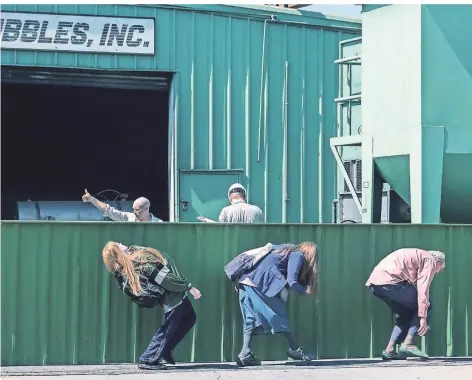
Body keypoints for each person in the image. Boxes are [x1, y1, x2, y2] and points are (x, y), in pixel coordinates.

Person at [102, 241, 201, 370]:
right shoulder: (139, 260)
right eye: (118, 245)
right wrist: (189, 287)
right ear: (118, 253)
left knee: (189, 318)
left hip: (176, 293)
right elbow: (163, 278)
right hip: (172, 294)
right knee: (168, 329)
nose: (121, 243)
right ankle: (147, 359)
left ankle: (164, 350)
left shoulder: (134, 253)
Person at [234, 242, 319, 366]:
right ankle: (295, 349)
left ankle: (245, 354)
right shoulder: (297, 255)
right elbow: (292, 281)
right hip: (260, 282)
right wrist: (305, 289)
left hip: (245, 281)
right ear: (309, 253)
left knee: (250, 319)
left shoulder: (283, 252)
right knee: (278, 315)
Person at [366, 248, 446, 360]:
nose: (437, 272)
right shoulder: (430, 260)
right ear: (438, 262)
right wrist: (423, 317)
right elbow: (423, 288)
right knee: (426, 304)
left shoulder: (418, 256)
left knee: (406, 313)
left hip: (376, 284)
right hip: (391, 282)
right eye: (440, 269)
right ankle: (408, 343)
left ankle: (390, 349)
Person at [82, 189, 163, 222]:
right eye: (133, 209)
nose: (134, 212)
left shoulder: (159, 224)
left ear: (146, 208)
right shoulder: (129, 218)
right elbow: (109, 211)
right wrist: (91, 199)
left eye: (137, 210)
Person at [197, 183, 263, 223]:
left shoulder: (225, 211)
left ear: (230, 197)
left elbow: (222, 230)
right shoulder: (257, 210)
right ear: (245, 196)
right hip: (255, 245)